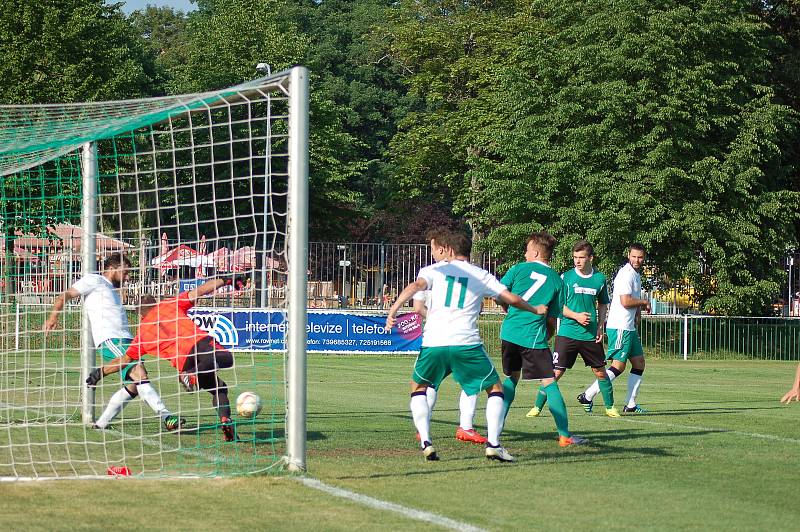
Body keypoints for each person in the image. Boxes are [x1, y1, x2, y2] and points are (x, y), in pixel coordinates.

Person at [386, 231, 547, 462]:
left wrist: (393, 309)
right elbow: (511, 299)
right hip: (465, 342)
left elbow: (415, 286)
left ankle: (426, 440)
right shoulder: (481, 274)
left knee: (418, 387)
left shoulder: (434, 271)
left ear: (449, 250)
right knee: (495, 389)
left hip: (434, 342)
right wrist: (535, 309)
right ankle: (493, 444)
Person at [86, 277, 243, 442]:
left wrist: (99, 373)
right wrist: (225, 280)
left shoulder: (143, 334)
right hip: (199, 345)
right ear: (155, 302)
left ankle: (226, 421)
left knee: (219, 388)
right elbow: (201, 290)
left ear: (140, 315)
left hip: (184, 363)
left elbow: (124, 360)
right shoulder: (169, 304)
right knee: (226, 358)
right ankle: (192, 375)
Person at [44, 252, 182, 431]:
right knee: (139, 374)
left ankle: (101, 423)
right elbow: (65, 295)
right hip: (112, 339)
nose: (128, 277)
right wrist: (53, 317)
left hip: (127, 340)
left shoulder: (113, 291)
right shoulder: (94, 280)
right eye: (125, 272)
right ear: (111, 268)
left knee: (134, 386)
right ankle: (167, 417)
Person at [498, 232, 585, 447]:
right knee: (549, 382)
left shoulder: (518, 268)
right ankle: (564, 435)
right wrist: (548, 335)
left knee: (510, 379)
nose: (525, 253)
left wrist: (508, 310)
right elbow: (553, 319)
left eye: (527, 250)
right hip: (533, 337)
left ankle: (495, 430)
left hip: (509, 333)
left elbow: (498, 293)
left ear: (535, 252)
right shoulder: (557, 280)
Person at [526, 240, 619, 418]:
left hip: (590, 335)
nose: (577, 261)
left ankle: (610, 407)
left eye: (581, 257)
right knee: (555, 372)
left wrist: (600, 326)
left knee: (600, 371)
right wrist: (577, 316)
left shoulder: (599, 279)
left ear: (590, 258)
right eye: (575, 257)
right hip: (567, 333)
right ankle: (537, 407)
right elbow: (558, 306)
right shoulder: (565, 278)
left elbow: (603, 304)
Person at [578, 243, 651, 413]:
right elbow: (625, 301)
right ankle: (587, 395)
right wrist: (644, 302)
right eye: (634, 256)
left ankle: (630, 404)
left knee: (639, 363)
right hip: (620, 326)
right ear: (628, 255)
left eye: (640, 257)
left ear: (644, 257)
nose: (637, 260)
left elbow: (632, 300)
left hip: (629, 327)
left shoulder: (636, 274)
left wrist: (638, 313)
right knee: (618, 366)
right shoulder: (625, 274)